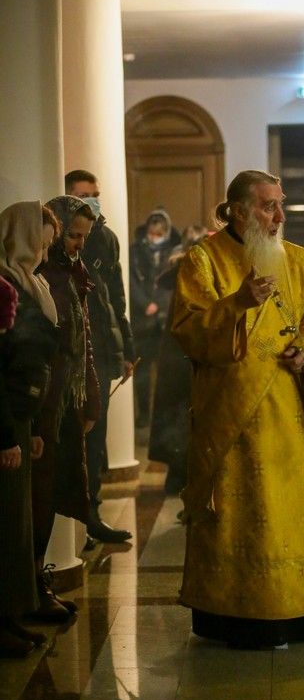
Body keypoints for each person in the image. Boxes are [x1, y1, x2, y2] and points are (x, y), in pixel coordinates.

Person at [172, 170, 304, 648]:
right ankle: (239, 616)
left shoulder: (298, 261)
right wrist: (238, 303)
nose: (279, 216)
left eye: (280, 204)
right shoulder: (203, 261)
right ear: (240, 211)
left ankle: (302, 612)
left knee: (293, 515)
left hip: (290, 415)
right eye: (268, 206)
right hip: (234, 417)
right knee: (244, 515)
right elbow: (189, 331)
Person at [31, 196, 100, 622]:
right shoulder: (41, 274)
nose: (78, 244)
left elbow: (83, 336)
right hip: (44, 400)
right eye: (73, 235)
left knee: (54, 486)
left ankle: (38, 581)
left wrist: (90, 391)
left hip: (64, 397)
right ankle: (33, 585)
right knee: (39, 493)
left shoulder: (74, 271)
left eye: (83, 237)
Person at [0, 202, 59, 655]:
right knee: (6, 522)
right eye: (42, 242)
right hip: (6, 415)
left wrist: (34, 424)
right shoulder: (6, 285)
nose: (45, 252)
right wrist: (6, 433)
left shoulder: (31, 282)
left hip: (22, 414)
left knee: (18, 521)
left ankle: (14, 613)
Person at [65, 169, 134, 544]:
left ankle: (92, 515)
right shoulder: (63, 237)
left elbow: (115, 298)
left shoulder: (105, 237)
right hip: (74, 352)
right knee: (73, 442)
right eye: (83, 194)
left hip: (103, 350)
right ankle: (74, 524)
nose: (92, 200)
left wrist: (127, 348)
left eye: (95, 193)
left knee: (96, 441)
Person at [148, 225, 209, 494]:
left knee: (179, 416)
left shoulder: (183, 269)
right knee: (184, 417)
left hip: (178, 355)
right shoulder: (192, 272)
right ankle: (181, 475)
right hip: (187, 354)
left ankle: (178, 475)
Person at [130, 209, 178, 428]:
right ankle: (144, 415)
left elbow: (171, 282)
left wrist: (158, 303)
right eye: (151, 233)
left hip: (165, 318)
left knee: (167, 371)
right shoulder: (135, 252)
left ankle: (164, 416)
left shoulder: (174, 252)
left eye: (158, 234)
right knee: (142, 371)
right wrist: (144, 303)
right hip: (142, 322)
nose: (154, 238)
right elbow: (131, 281)